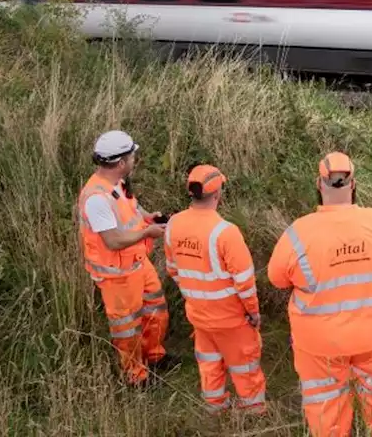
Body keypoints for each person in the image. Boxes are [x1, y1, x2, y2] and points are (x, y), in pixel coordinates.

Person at [266, 151, 372, 437]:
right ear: (353, 184)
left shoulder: (297, 234)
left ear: (319, 184)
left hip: (320, 343)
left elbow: (277, 279)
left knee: (325, 404)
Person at [163, 165, 267, 414]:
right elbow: (244, 281)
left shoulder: (173, 225)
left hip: (199, 314)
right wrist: (253, 312)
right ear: (218, 193)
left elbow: (173, 269)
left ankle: (214, 407)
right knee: (244, 366)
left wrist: (195, 295)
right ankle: (252, 411)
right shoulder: (226, 232)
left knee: (209, 363)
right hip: (231, 318)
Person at [75, 130, 172, 388]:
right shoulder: (96, 199)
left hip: (138, 262)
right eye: (131, 156)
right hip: (117, 275)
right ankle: (136, 377)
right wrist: (147, 232)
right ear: (120, 163)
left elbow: (131, 207)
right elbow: (113, 241)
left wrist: (148, 217)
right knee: (127, 329)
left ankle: (155, 357)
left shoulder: (116, 182)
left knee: (156, 309)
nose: (134, 160)